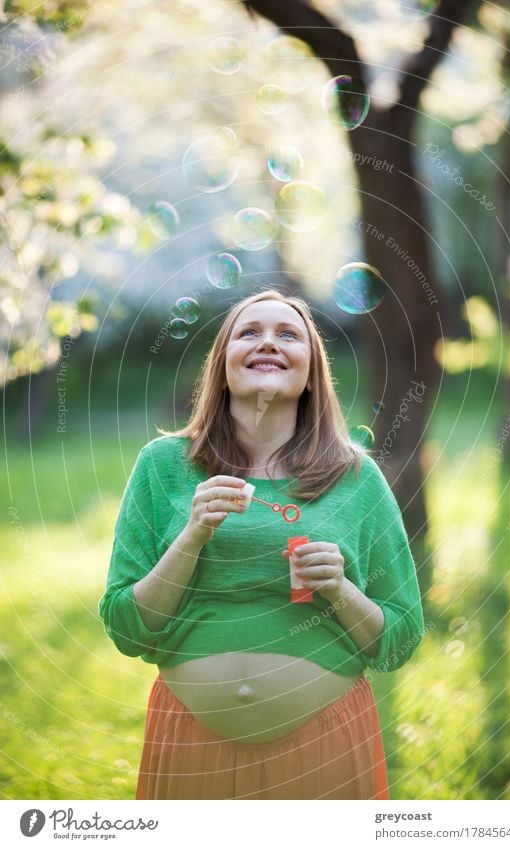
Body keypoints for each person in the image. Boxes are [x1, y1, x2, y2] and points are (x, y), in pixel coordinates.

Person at [98, 288, 425, 800]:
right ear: (222, 365)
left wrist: (339, 590)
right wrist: (193, 534)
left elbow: (399, 640)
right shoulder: (163, 465)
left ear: (311, 371)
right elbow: (128, 629)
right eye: (249, 332)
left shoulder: (355, 476)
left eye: (288, 334)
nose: (268, 342)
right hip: (190, 746)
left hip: (324, 744)